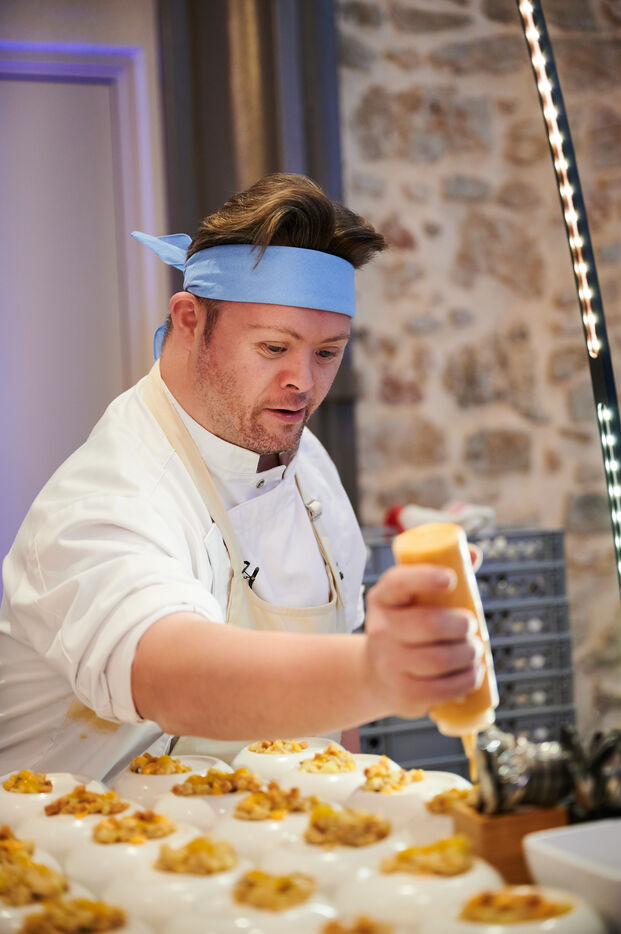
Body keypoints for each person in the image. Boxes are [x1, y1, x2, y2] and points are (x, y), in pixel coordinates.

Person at [0, 174, 482, 781]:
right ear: (188, 320)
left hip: (275, 831)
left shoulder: (308, 466)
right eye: (274, 348)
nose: (303, 382)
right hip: (77, 831)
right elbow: (169, 676)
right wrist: (374, 673)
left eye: (327, 353)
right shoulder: (110, 494)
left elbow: (338, 730)